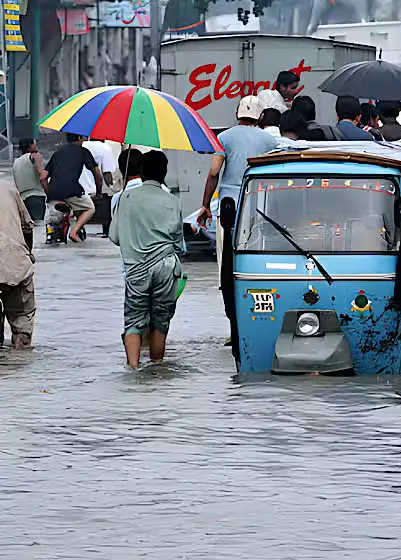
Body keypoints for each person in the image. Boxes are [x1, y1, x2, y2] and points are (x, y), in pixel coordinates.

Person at [110, 151, 184, 368]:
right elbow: (179, 242)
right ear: (164, 174)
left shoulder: (126, 198)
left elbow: (115, 237)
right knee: (160, 321)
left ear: (141, 172)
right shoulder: (172, 200)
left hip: (136, 269)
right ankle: (157, 366)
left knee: (134, 320)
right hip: (166, 266)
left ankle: (133, 368)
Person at [197, 95, 277, 277]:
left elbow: (213, 172)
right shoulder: (269, 142)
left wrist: (205, 205)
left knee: (225, 254)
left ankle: (224, 286)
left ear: (237, 113)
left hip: (227, 205)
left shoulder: (224, 137)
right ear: (261, 116)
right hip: (258, 205)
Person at [45, 132, 103, 243]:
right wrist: (99, 193)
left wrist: (49, 193)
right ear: (80, 137)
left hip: (54, 192)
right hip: (72, 190)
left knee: (52, 216)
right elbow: (97, 174)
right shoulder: (83, 152)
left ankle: (52, 231)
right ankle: (74, 231)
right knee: (90, 208)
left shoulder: (58, 153)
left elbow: (43, 176)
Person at [0, 176, 35, 349]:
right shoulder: (8, 188)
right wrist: (28, 253)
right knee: (22, 321)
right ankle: (20, 369)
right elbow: (27, 227)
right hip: (15, 261)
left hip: (14, 258)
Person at [13, 138, 48, 222]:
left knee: (29, 227)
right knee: (38, 224)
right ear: (31, 146)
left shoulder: (16, 161)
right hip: (36, 196)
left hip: (23, 199)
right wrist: (49, 192)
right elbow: (42, 175)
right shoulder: (35, 156)